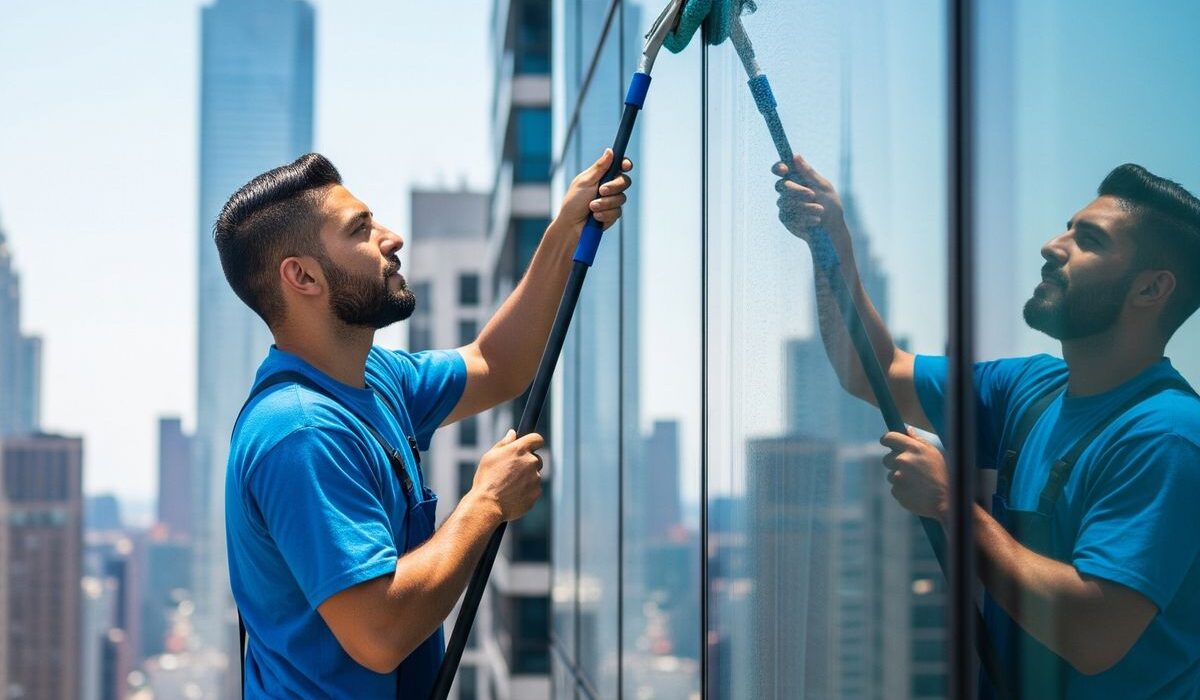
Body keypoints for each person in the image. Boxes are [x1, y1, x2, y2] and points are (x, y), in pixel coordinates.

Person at [775, 155, 1200, 698]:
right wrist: (829, 242)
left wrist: (952, 503)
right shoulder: (1030, 390)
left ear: (1150, 290)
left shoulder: (1167, 436)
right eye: (1067, 228)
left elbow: (1093, 635)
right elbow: (872, 370)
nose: (1053, 245)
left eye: (1089, 239)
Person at [218, 150, 632, 698]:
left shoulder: (373, 377)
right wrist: (485, 503)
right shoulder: (302, 433)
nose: (391, 238)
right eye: (361, 230)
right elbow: (379, 633)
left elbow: (495, 364)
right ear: (303, 276)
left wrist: (564, 232)